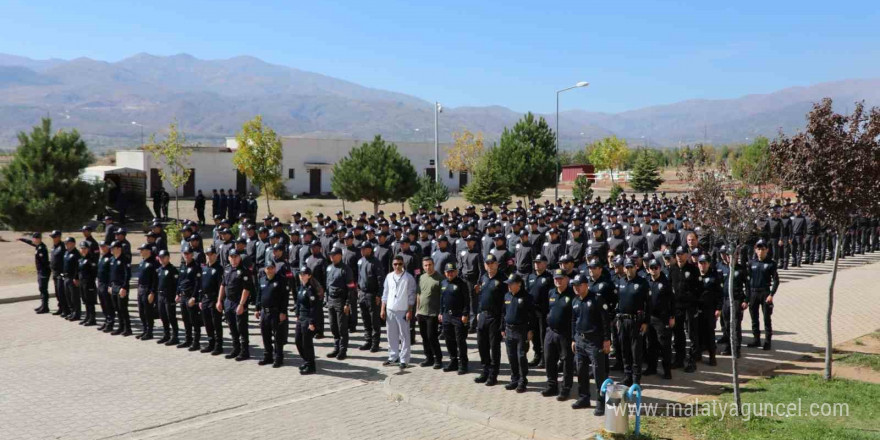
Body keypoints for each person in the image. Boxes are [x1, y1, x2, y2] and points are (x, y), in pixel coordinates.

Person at [571, 272, 611, 414]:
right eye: (574, 286)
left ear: (586, 285)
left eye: (579, 285)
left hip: (595, 341)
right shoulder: (575, 301)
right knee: (581, 370)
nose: (576, 288)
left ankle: (601, 402)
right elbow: (573, 321)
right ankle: (584, 397)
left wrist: (607, 340)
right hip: (580, 340)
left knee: (598, 372)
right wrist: (573, 339)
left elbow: (605, 321)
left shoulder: (596, 299)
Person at [615, 258, 650, 386]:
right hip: (623, 320)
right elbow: (618, 301)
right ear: (623, 268)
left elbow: (648, 304)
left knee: (636, 351)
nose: (629, 270)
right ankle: (627, 375)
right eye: (627, 267)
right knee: (625, 350)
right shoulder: (620, 282)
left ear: (636, 267)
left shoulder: (642, 283)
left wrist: (646, 322)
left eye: (631, 267)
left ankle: (636, 378)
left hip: (636, 321)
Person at [542, 268, 575, 400]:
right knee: (549, 359)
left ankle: (565, 389)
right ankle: (552, 385)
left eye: (561, 278)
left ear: (567, 279)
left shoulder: (572, 295)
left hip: (565, 333)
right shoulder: (551, 293)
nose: (558, 281)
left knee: (566, 362)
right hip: (551, 332)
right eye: (556, 278)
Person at [475, 253, 507, 386]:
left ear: (497, 264)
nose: (490, 266)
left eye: (492, 263)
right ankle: (485, 371)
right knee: (482, 345)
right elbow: (480, 296)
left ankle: (493, 375)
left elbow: (506, 302)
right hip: (483, 315)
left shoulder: (502, 279)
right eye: (487, 263)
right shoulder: (483, 278)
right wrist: (478, 312)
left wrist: (503, 322)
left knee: (494, 347)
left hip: (495, 317)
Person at [381, 255, 417, 370]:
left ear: (403, 264)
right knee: (391, 335)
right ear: (392, 265)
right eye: (395, 264)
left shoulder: (408, 277)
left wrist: (410, 310)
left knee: (404, 336)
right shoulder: (389, 276)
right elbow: (385, 293)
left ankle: (404, 360)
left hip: (403, 310)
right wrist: (383, 308)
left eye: (400, 264)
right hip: (390, 309)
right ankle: (393, 357)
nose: (397, 266)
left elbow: (412, 296)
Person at [218, 249, 254, 361]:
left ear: (239, 257)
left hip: (239, 302)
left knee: (241, 327)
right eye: (231, 257)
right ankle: (236, 349)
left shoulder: (244, 270)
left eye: (235, 257)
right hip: (228, 301)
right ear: (228, 258)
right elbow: (223, 285)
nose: (233, 259)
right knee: (232, 327)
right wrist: (219, 301)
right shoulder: (227, 269)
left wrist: (241, 304)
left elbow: (246, 289)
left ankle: (245, 351)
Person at [501, 273, 534, 393]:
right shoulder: (507, 296)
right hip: (509, 330)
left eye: (511, 284)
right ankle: (514, 379)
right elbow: (503, 313)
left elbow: (532, 315)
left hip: (521, 330)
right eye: (508, 284)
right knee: (511, 356)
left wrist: (530, 330)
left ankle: (522, 380)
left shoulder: (527, 297)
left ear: (519, 284)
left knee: (521, 356)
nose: (509, 286)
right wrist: (502, 329)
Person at [255, 262, 290, 367]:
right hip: (264, 312)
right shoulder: (262, 280)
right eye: (267, 268)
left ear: (275, 269)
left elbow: (285, 298)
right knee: (265, 336)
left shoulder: (281, 280)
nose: (269, 270)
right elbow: (258, 295)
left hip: (276, 312)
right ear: (265, 269)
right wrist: (257, 309)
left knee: (278, 337)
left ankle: (278, 358)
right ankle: (268, 357)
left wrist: (283, 312)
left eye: (271, 268)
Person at [748, 240, 780, 350]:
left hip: (765, 293)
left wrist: (771, 294)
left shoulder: (771, 263)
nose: (760, 251)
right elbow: (747, 280)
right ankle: (756, 339)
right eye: (758, 249)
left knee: (766, 318)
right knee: (754, 318)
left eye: (763, 249)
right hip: (753, 293)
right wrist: (747, 296)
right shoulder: (751, 263)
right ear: (755, 250)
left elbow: (776, 280)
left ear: (767, 250)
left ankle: (767, 341)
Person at [645, 258, 674, 379]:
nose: (654, 270)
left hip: (662, 318)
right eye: (651, 268)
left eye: (656, 267)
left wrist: (672, 316)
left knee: (664, 345)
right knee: (650, 344)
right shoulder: (647, 282)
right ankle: (652, 367)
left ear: (660, 268)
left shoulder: (665, 282)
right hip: (649, 317)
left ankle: (667, 370)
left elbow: (672, 301)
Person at [325, 248, 357, 360]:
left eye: (334, 255)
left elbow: (351, 288)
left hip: (341, 301)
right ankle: (336, 348)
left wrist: (347, 303)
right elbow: (327, 285)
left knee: (342, 327)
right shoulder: (329, 268)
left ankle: (343, 350)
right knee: (333, 326)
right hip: (331, 300)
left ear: (340, 255)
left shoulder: (346, 269)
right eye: (330, 255)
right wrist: (326, 299)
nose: (332, 257)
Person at [716, 246, 748, 357]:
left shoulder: (741, 269)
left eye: (734, 255)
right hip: (724, 300)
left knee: (735, 325)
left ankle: (736, 349)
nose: (731, 257)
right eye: (729, 255)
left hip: (736, 300)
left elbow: (748, 286)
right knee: (726, 325)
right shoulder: (723, 268)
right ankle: (729, 347)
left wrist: (746, 300)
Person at [439, 263, 470, 374]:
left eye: (452, 271)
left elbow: (467, 301)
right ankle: (453, 361)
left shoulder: (462, 283)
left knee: (460, 341)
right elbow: (441, 299)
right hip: (447, 315)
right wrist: (441, 313)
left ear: (456, 272)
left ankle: (463, 364)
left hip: (458, 316)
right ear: (445, 273)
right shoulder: (443, 283)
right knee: (449, 340)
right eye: (448, 272)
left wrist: (465, 314)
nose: (450, 273)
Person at [416, 257, 444, 369]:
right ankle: (429, 358)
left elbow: (443, 297)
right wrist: (417, 310)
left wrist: (441, 312)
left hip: (433, 313)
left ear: (433, 264)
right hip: (421, 312)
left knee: (432, 336)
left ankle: (438, 359)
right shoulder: (422, 277)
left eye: (430, 265)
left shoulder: (440, 278)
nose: (428, 267)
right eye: (426, 265)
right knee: (424, 337)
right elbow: (418, 294)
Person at [357, 242, 385, 352]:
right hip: (362, 294)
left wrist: (379, 295)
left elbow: (380, 279)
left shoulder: (376, 262)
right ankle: (368, 341)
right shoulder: (361, 261)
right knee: (365, 319)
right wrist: (358, 290)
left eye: (364, 249)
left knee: (374, 321)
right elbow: (359, 276)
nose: (362, 251)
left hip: (372, 295)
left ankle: (375, 343)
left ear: (369, 249)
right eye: (361, 249)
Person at [199, 245, 225, 355]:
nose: (209, 257)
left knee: (216, 323)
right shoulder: (204, 268)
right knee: (207, 323)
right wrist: (200, 300)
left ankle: (218, 346)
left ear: (216, 255)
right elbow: (201, 285)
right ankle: (211, 343)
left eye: (211, 254)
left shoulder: (219, 269)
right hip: (205, 299)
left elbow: (221, 287)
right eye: (207, 254)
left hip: (214, 299)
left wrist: (219, 301)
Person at [295, 267, 321, 375]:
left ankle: (311, 366)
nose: (301, 276)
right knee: (298, 341)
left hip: (307, 319)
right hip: (301, 318)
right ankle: (306, 360)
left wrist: (311, 322)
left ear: (309, 276)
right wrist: (297, 314)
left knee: (307, 344)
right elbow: (298, 303)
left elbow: (314, 307)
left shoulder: (311, 289)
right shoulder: (301, 287)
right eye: (300, 274)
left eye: (304, 274)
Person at [697, 254, 722, 366]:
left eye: (705, 263)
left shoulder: (714, 277)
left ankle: (712, 356)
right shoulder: (695, 276)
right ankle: (698, 355)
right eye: (701, 263)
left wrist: (718, 308)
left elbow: (720, 294)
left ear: (709, 264)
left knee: (710, 333)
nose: (703, 265)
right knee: (697, 333)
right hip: (697, 309)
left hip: (709, 310)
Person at [18, 232, 51, 314]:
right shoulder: (38, 245)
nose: (33, 240)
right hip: (40, 271)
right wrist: (22, 239)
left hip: (44, 272)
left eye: (35, 238)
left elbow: (45, 262)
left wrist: (44, 273)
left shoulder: (42, 248)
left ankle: (45, 307)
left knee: (43, 289)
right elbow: (30, 243)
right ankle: (43, 305)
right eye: (33, 238)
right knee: (41, 289)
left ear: (39, 239)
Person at [177, 245, 203, 350]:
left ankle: (196, 342)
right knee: (185, 319)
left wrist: (194, 297)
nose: (186, 255)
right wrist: (177, 293)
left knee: (194, 321)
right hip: (183, 296)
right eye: (185, 253)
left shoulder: (196, 267)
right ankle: (188, 340)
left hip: (191, 297)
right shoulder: (182, 266)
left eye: (188, 254)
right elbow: (179, 281)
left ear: (192, 255)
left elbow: (198, 284)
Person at [134, 243, 158, 340]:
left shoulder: (153, 263)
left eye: (142, 250)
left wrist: (152, 292)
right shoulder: (142, 262)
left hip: (148, 289)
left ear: (148, 251)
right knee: (141, 311)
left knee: (148, 312)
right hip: (141, 289)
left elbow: (155, 279)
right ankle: (144, 330)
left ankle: (149, 332)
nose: (140, 252)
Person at [108, 241, 133, 336]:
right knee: (117, 308)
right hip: (114, 286)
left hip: (121, 287)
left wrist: (124, 287)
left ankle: (128, 328)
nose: (111, 250)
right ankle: (120, 327)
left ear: (119, 249)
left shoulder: (124, 259)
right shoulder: (112, 259)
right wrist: (110, 285)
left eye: (113, 248)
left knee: (123, 308)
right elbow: (111, 274)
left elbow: (127, 275)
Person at [156, 250, 180, 345]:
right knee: (163, 316)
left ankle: (175, 336)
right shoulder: (159, 270)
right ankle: (166, 335)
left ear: (168, 258)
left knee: (171, 316)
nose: (161, 259)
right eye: (160, 257)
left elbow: (177, 284)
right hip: (160, 296)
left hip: (169, 296)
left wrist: (177, 294)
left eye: (163, 257)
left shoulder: (172, 270)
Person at [76, 241, 98, 326]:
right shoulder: (81, 259)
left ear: (88, 249)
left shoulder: (91, 259)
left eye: (85, 248)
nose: (83, 250)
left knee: (90, 302)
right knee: (85, 301)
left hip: (89, 284)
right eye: (82, 248)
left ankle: (92, 319)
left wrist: (90, 282)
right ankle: (87, 317)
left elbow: (94, 272)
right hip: (82, 283)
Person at [61, 237, 81, 321]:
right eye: (65, 243)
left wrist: (76, 277)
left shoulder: (76, 254)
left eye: (67, 243)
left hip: (73, 278)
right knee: (68, 296)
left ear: (73, 243)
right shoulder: (66, 252)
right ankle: (72, 312)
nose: (66, 244)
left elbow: (78, 267)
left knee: (74, 297)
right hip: (66, 277)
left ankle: (76, 314)